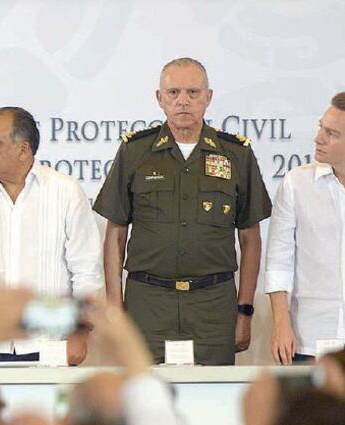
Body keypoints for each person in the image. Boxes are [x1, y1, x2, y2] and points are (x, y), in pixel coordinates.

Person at [96, 58, 270, 365]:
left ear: (208, 97)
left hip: (213, 306)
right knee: (141, 401)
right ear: (159, 98)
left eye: (192, 92)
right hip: (147, 304)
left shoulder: (236, 154)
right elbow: (116, 233)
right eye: (173, 92)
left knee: (214, 401)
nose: (183, 101)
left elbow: (250, 238)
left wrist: (244, 310)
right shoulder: (135, 151)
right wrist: (114, 308)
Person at [0, 106, 103, 364]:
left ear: (23, 150)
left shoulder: (66, 192)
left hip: (53, 344)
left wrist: (80, 332)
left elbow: (86, 271)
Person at [265, 92, 345, 364]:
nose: (319, 138)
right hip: (308, 339)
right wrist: (280, 323)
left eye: (332, 133)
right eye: (321, 127)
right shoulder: (296, 184)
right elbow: (279, 262)